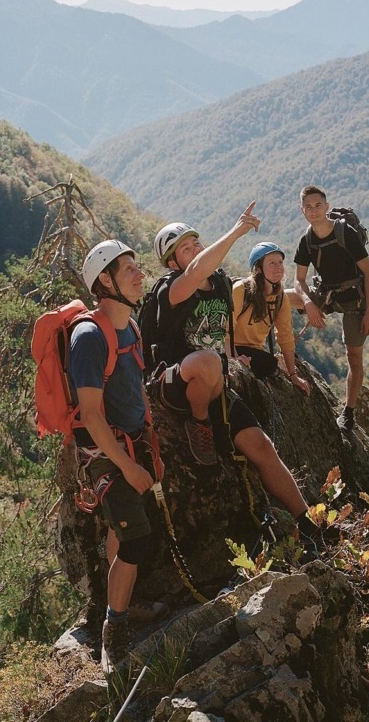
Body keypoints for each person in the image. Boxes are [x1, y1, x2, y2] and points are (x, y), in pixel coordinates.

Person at [149, 203, 319, 542]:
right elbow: (195, 272)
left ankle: (308, 522)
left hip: (212, 382)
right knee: (208, 362)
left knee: (260, 444)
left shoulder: (221, 284)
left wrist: (232, 357)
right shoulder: (171, 288)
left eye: (196, 242)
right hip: (173, 382)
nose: (196, 249)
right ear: (172, 263)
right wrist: (238, 231)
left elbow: (220, 331)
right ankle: (199, 424)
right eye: (186, 247)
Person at [69, 239, 166, 673]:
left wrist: (147, 437)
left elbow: (132, 385)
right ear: (105, 281)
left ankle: (120, 599)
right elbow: (90, 415)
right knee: (137, 537)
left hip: (131, 439)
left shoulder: (132, 327)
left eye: (136, 265)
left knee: (123, 525)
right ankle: (115, 628)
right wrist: (126, 464)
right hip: (104, 451)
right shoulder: (89, 336)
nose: (139, 273)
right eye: (127, 268)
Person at [294, 185, 369, 433]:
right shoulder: (306, 240)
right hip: (327, 293)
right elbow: (298, 281)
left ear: (327, 207)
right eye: (308, 207)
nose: (313, 211)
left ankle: (348, 413)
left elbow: (368, 272)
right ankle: (277, 351)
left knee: (354, 355)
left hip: (355, 298)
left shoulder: (346, 233)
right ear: (302, 210)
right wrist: (308, 304)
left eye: (318, 205)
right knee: (282, 297)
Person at [232, 241, 310, 394]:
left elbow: (285, 336)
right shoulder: (241, 290)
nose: (278, 267)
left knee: (270, 364)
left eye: (280, 262)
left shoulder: (280, 298)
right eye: (272, 263)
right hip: (231, 348)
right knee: (267, 364)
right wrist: (234, 358)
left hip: (254, 353)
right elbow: (225, 329)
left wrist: (293, 375)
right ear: (259, 268)